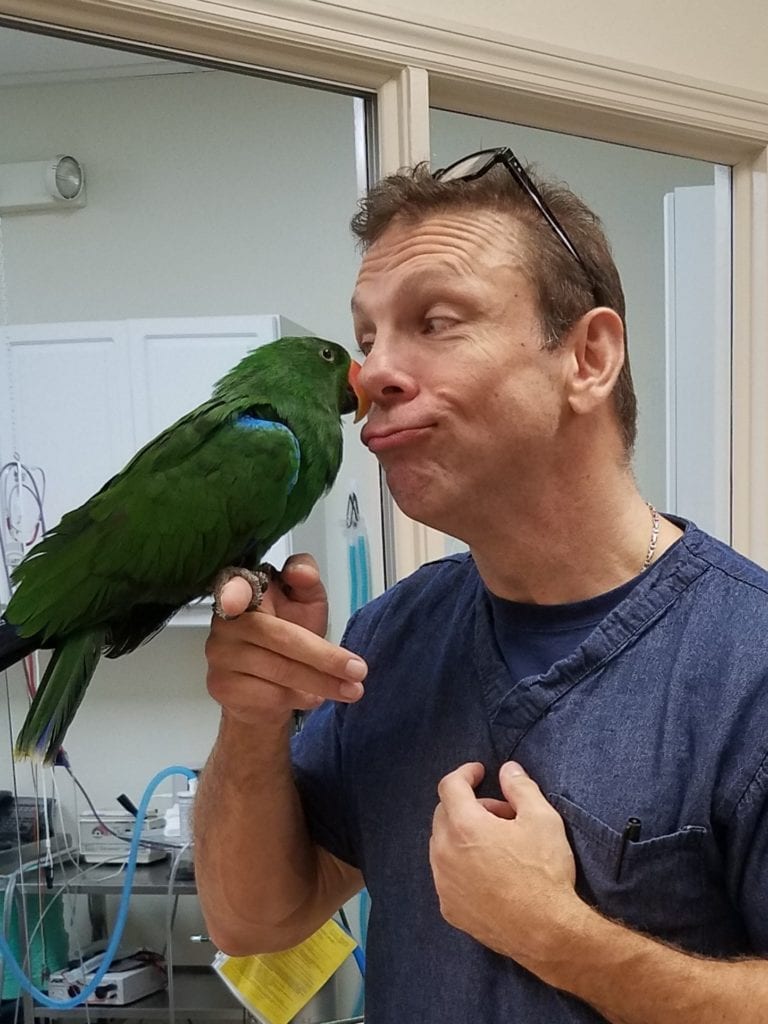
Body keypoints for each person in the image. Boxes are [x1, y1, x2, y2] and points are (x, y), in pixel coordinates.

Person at [194, 148, 768, 1022]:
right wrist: (254, 719)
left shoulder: (745, 667)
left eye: (435, 320)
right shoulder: (390, 638)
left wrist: (554, 933)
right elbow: (252, 918)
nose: (372, 375)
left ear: (589, 356)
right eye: (367, 337)